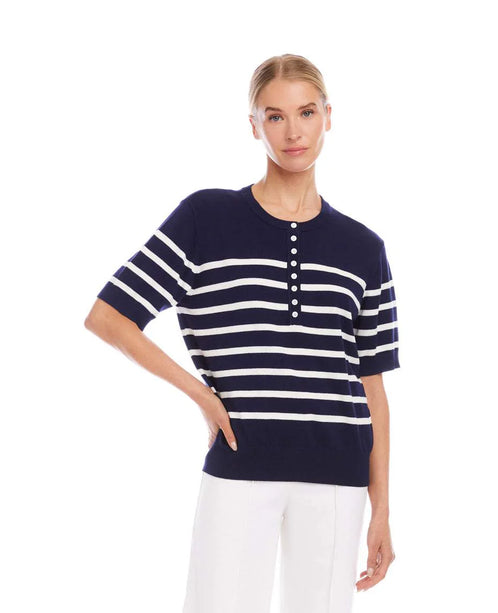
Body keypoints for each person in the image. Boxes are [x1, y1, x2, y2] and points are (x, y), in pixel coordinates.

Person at [85, 53, 400, 613]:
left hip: (337, 477)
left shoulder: (363, 248)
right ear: (254, 125)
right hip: (241, 462)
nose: (293, 131)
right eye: (275, 116)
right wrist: (203, 396)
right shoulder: (206, 218)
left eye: (306, 112)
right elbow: (109, 316)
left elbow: (372, 389)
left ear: (329, 116)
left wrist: (382, 509)